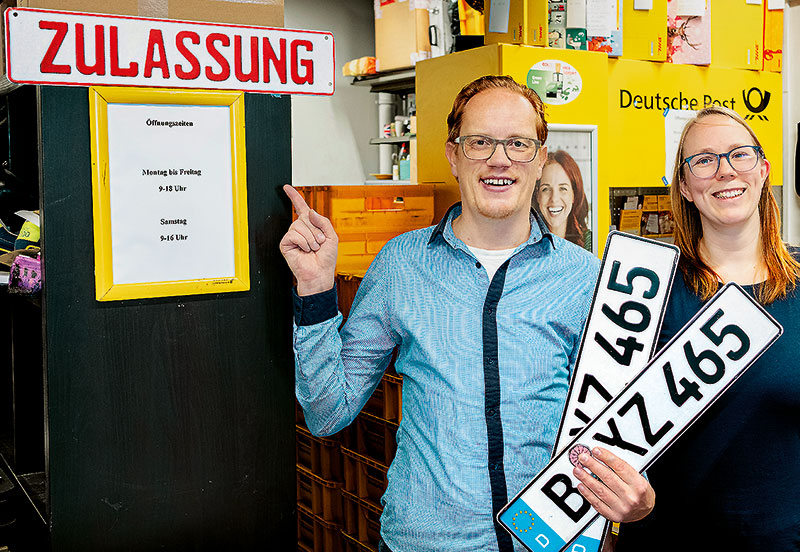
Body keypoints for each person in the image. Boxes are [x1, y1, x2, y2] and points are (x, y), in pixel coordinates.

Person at [281, 75, 654, 552]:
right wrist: (315, 291)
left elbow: (623, 420)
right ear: (454, 155)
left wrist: (634, 498)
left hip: (555, 542)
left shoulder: (587, 276)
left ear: (540, 158)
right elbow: (327, 412)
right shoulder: (401, 265)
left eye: (518, 143)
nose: (500, 159)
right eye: (480, 142)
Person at [617, 106, 800, 551]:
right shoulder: (644, 291)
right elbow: (606, 428)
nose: (724, 171)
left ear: (763, 169)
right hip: (669, 540)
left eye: (740, 154)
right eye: (703, 160)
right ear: (684, 185)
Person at [533, 149, 591, 250]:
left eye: (563, 188)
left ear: (574, 194)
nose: (554, 199)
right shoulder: (526, 243)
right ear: (537, 195)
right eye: (546, 189)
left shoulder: (590, 242)